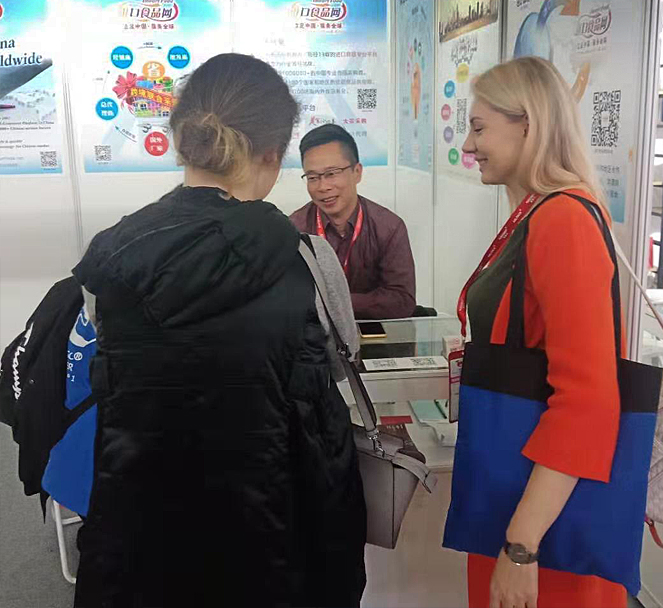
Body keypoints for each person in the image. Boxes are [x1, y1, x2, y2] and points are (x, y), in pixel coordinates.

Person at [71, 54, 367, 608]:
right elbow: (337, 361)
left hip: (144, 529)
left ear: (184, 142)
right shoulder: (309, 258)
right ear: (273, 153)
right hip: (278, 531)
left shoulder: (109, 258)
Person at [448, 56, 626, 608]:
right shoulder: (537, 213)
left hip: (542, 521)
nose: (469, 145)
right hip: (518, 492)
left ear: (529, 124)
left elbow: (587, 401)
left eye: (479, 128)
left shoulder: (562, 220)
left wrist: (521, 547)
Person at [291, 123, 416, 319]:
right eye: (313, 177)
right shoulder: (295, 229)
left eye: (331, 174)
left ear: (357, 172)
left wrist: (333, 302)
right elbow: (290, 297)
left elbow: (402, 300)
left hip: (375, 331)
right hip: (316, 333)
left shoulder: (389, 227)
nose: (323, 187)